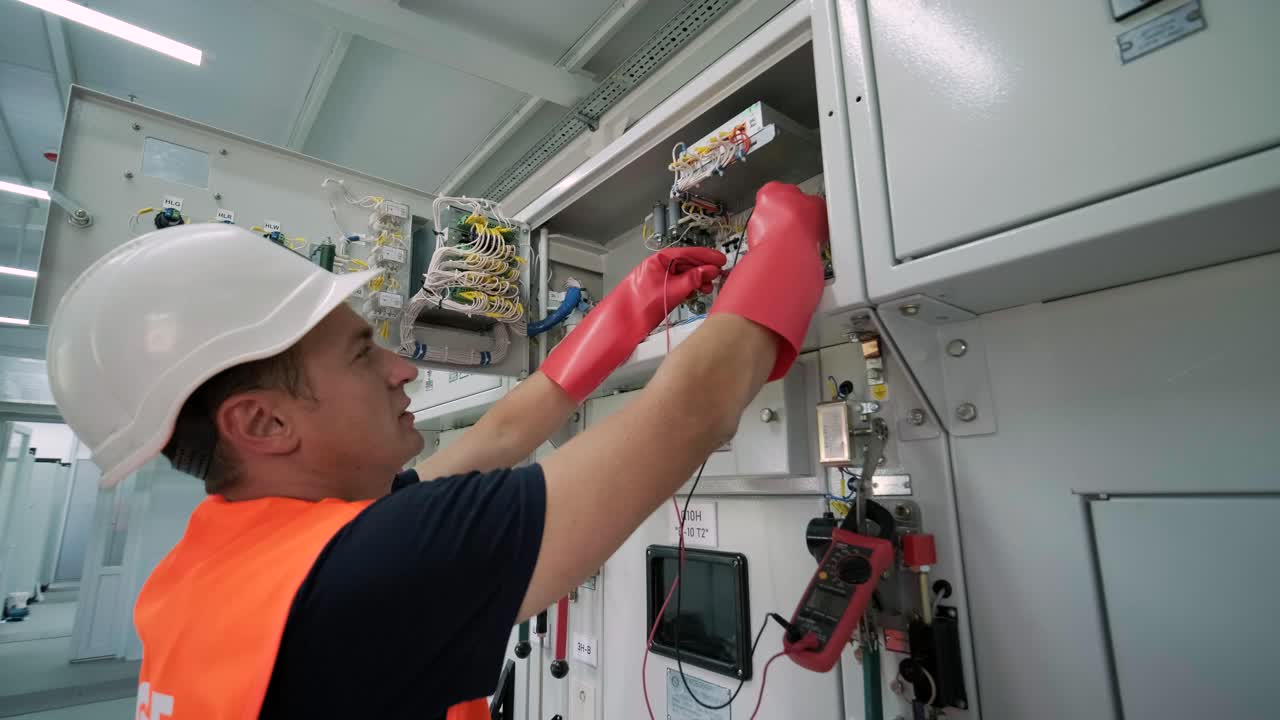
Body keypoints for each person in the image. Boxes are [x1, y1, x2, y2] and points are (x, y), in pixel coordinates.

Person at [46, 181, 828, 719]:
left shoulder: (230, 566)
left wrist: (628, 311)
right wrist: (787, 240)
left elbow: (501, 434)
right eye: (361, 355)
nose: (403, 367)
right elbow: (691, 414)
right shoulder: (366, 571)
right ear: (263, 425)